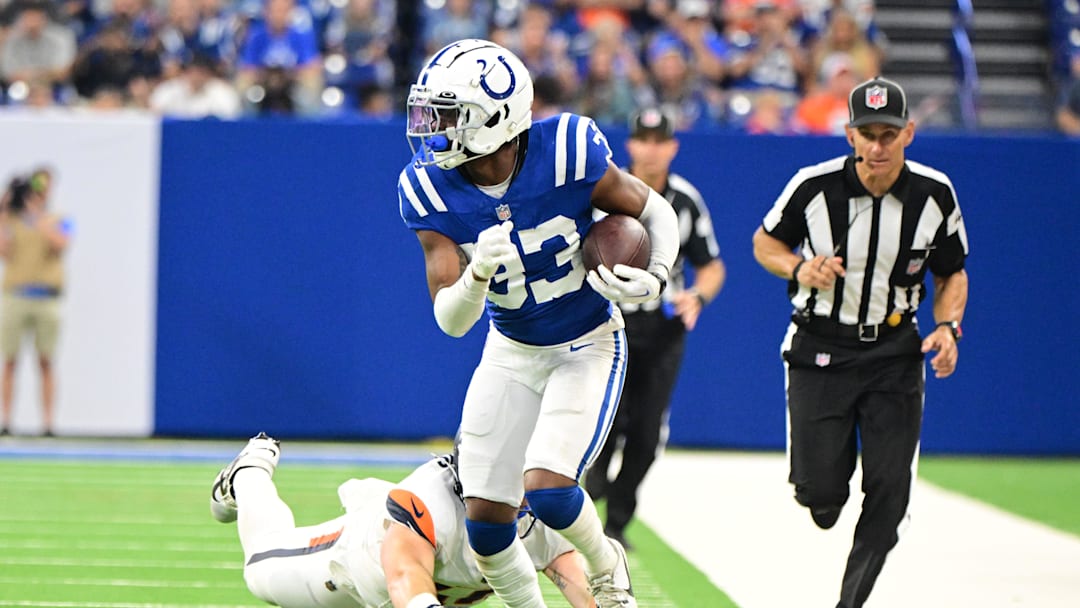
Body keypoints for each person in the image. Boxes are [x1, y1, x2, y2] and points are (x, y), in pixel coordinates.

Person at [397, 39, 680, 608]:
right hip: (511, 347)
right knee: (486, 524)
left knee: (548, 490)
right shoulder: (427, 187)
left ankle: (606, 565)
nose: (432, 129)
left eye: (447, 116)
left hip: (588, 342)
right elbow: (451, 323)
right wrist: (475, 275)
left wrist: (656, 274)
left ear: (493, 118)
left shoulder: (568, 148)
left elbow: (653, 209)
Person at [751, 76, 969, 608]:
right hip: (820, 349)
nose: (878, 146)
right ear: (849, 135)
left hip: (894, 351)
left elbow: (952, 273)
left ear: (909, 134)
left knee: (890, 491)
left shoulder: (934, 195)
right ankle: (821, 487)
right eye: (867, 134)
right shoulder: (813, 185)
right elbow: (764, 243)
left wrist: (948, 327)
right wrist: (801, 267)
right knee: (822, 495)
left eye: (888, 134)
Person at [208, 432, 598, 608]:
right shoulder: (429, 506)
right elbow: (406, 587)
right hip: (351, 573)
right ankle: (250, 470)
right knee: (259, 567)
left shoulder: (544, 512)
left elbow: (584, 592)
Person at [584, 107, 725, 550]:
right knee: (603, 427)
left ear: (672, 146)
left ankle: (618, 521)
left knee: (645, 436)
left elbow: (713, 266)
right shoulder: (603, 193)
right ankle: (590, 503)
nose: (650, 149)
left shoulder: (685, 200)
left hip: (662, 329)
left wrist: (698, 296)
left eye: (658, 140)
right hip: (609, 323)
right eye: (642, 140)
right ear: (630, 145)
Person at [0, 168, 72, 437]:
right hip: (16, 295)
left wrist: (37, 215)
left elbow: (62, 243)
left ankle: (48, 424)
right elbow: (3, 250)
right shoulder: (12, 220)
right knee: (9, 360)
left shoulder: (60, 219)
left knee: (46, 360)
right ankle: (6, 421)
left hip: (47, 298)